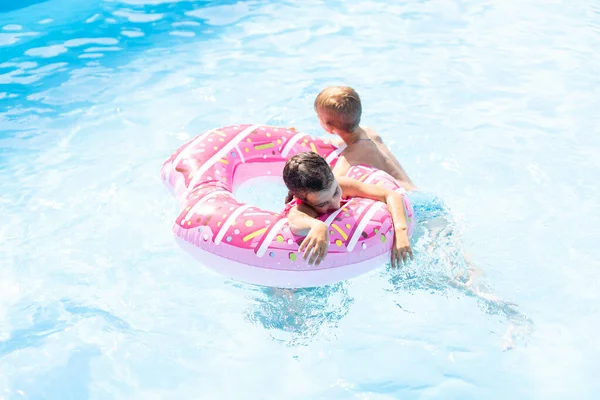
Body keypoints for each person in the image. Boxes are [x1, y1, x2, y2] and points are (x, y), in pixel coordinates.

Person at [282, 152, 412, 268]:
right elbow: (295, 219)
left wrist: (401, 232)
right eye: (323, 204)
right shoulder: (302, 208)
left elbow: (391, 195)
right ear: (302, 199)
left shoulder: (340, 184)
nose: (335, 204)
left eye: (335, 192)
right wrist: (317, 225)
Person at [314, 86, 417, 191]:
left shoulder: (350, 157)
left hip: (411, 200)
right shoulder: (368, 132)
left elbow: (331, 188)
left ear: (329, 127)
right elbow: (336, 143)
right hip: (414, 190)